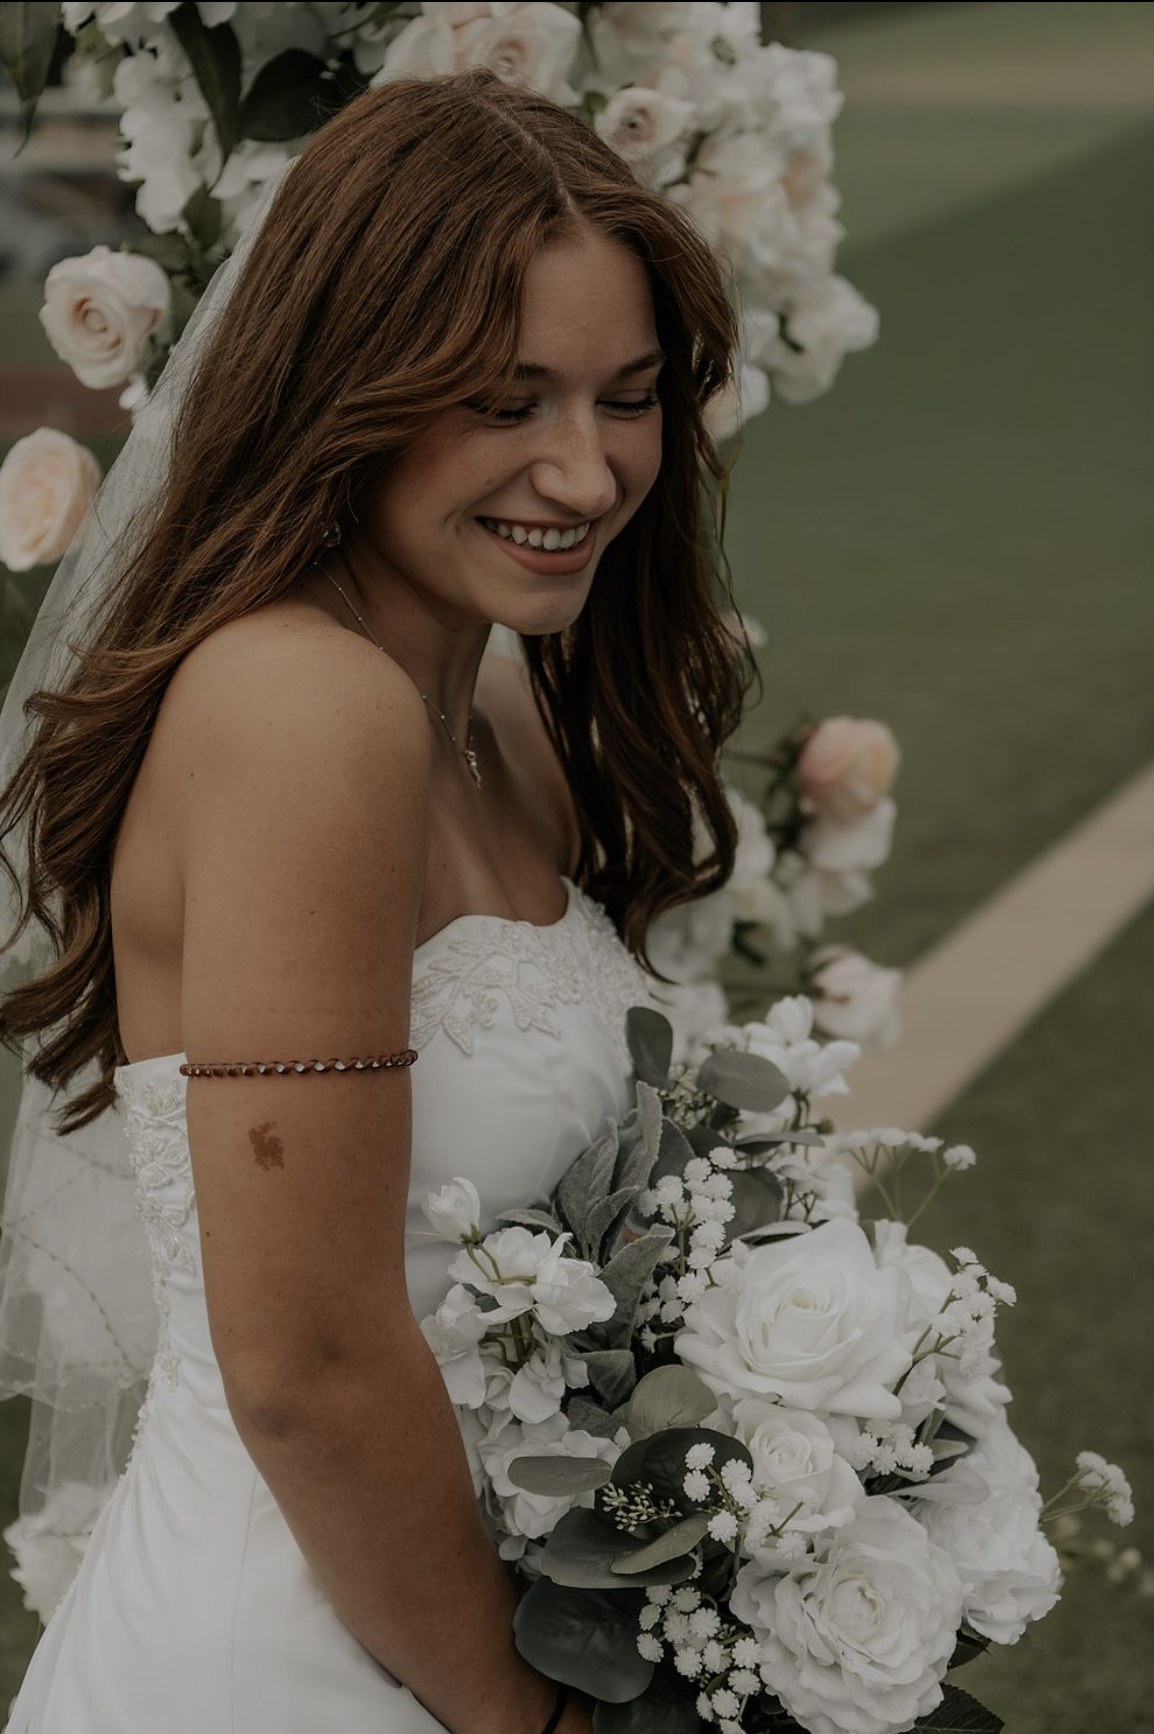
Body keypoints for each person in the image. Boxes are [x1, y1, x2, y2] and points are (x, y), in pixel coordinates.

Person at [0, 69, 752, 1732]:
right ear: (356, 389)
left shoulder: (492, 705)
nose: (582, 473)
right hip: (308, 1656)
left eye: (624, 397)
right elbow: (309, 1360)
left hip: (478, 1609)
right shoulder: (300, 709)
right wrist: (524, 1712)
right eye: (505, 401)